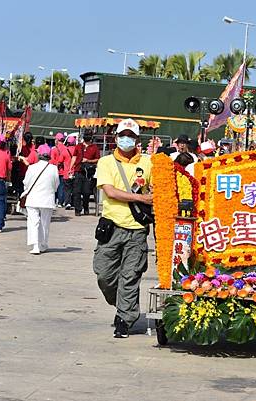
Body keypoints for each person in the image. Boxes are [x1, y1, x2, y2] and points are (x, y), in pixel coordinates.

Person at [93, 118, 153, 338]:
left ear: (137, 140)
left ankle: (124, 319)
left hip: (137, 229)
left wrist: (153, 198)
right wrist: (141, 197)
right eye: (122, 135)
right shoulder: (106, 162)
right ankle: (120, 302)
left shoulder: (148, 163)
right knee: (104, 275)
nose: (126, 139)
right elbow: (111, 192)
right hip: (111, 227)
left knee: (130, 275)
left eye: (131, 136)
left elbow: (157, 189)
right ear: (116, 137)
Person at [22, 145, 59, 255]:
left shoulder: (31, 168)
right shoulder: (53, 168)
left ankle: (35, 246)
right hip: (47, 199)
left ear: (39, 154)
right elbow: (56, 184)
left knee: (33, 222)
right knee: (45, 222)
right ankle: (43, 244)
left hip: (33, 198)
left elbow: (26, 183)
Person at [71, 131, 100, 216]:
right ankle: (77, 209)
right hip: (78, 170)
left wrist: (88, 161)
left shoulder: (94, 147)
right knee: (77, 191)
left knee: (86, 192)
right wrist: (71, 168)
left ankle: (86, 207)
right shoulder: (79, 146)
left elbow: (97, 159)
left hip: (88, 173)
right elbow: (74, 157)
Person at [50, 133, 70, 207]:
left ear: (57, 140)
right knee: (62, 186)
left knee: (54, 186)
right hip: (64, 170)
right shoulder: (66, 149)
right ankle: (61, 202)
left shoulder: (54, 149)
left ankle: (54, 201)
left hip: (55, 170)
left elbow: (52, 161)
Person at [63, 135, 77, 209]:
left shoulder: (65, 151)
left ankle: (67, 203)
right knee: (75, 189)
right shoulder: (77, 150)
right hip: (75, 172)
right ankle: (74, 203)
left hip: (66, 173)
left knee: (67, 189)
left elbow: (60, 160)